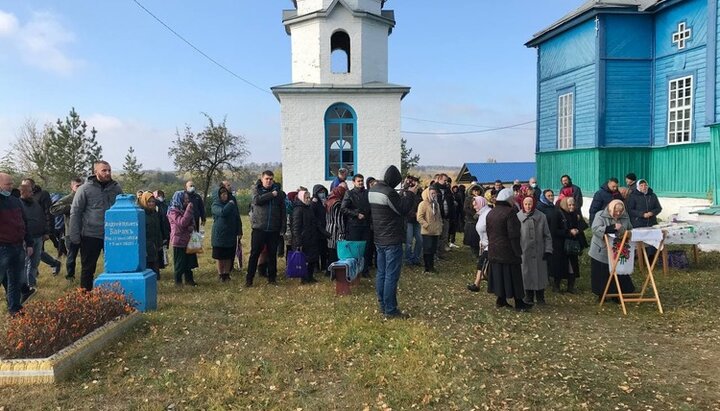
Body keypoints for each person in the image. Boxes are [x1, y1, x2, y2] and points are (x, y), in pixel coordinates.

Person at [369, 165, 418, 319]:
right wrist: (410, 194)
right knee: (391, 275)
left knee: (381, 273)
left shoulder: (373, 190)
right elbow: (402, 209)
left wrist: (403, 192)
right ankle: (390, 310)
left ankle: (383, 305)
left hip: (379, 238)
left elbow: (391, 207)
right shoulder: (389, 192)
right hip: (391, 239)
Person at [69, 161, 123, 291]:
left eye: (109, 170)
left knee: (116, 267)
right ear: (95, 172)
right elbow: (75, 212)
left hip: (112, 235)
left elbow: (122, 209)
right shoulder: (84, 189)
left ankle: (115, 295)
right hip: (90, 235)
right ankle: (85, 297)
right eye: (104, 170)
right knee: (88, 268)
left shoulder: (116, 188)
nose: (108, 173)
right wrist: (75, 236)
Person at [486, 188, 532, 311]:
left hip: (494, 250)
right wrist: (518, 251)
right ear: (508, 200)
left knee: (499, 275)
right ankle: (519, 303)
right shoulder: (510, 212)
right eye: (513, 199)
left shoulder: (492, 212)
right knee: (513, 277)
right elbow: (514, 234)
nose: (514, 201)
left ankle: (501, 299)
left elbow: (489, 231)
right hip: (508, 251)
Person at [0, 173, 34, 315]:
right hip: (2, 248)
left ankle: (15, 308)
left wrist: (29, 242)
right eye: (8, 184)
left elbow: (23, 222)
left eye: (11, 183)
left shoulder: (15, 201)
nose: (11, 186)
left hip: (18, 246)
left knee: (15, 280)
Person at [246, 170, 286, 287]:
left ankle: (272, 278)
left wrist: (282, 227)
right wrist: (271, 195)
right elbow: (257, 200)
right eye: (267, 179)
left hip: (273, 229)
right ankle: (249, 279)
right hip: (259, 228)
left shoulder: (278, 193)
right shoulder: (256, 190)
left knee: (272, 255)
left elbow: (282, 211)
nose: (269, 181)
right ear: (262, 179)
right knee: (254, 254)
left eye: (271, 179)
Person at [590, 199, 634, 299]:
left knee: (617, 271)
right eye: (616, 211)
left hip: (617, 249)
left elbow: (630, 229)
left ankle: (617, 294)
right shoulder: (600, 215)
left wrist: (622, 230)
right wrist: (611, 227)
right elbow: (595, 229)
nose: (618, 213)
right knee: (602, 273)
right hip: (601, 249)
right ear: (611, 208)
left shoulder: (625, 216)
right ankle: (602, 294)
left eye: (620, 211)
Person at [22, 178, 61, 276]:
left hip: (39, 230)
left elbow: (48, 213)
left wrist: (48, 231)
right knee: (35, 252)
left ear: (33, 186)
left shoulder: (43, 195)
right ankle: (35, 273)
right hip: (27, 230)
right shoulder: (22, 197)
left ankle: (52, 264)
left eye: (26, 185)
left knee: (37, 253)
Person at [517, 196, 553, 305]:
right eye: (526, 204)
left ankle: (540, 297)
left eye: (530, 204)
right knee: (526, 274)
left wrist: (548, 250)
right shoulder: (517, 217)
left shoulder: (541, 216)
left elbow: (547, 235)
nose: (528, 206)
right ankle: (528, 296)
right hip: (524, 251)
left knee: (540, 274)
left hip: (539, 251)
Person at [18, 182, 47, 303]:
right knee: (24, 264)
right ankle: (23, 286)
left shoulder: (35, 203)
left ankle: (32, 283)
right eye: (29, 192)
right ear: (22, 192)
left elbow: (42, 217)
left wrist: (46, 232)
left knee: (35, 262)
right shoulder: (18, 204)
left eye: (32, 191)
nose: (32, 194)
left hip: (38, 236)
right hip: (26, 239)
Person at [291, 189, 328, 284]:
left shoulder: (309, 208)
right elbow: (296, 227)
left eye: (309, 197)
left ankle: (310, 276)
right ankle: (304, 278)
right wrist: (298, 241)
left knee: (312, 258)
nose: (308, 199)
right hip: (303, 238)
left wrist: (324, 232)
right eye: (306, 198)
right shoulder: (298, 210)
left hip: (312, 237)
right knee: (304, 260)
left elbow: (315, 222)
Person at [50, 177, 83, 280]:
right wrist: (70, 207)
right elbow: (53, 209)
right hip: (71, 232)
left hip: (86, 232)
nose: (80, 188)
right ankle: (70, 276)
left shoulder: (87, 197)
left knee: (87, 257)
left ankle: (87, 276)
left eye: (82, 186)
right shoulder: (68, 198)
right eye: (77, 186)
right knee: (71, 256)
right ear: (72, 187)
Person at [341, 173, 373, 275]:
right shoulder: (349, 194)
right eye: (358, 181)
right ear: (354, 182)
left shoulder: (367, 193)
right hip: (354, 225)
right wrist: (356, 214)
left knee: (366, 248)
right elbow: (343, 208)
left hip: (366, 225)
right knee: (354, 249)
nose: (360, 183)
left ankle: (365, 269)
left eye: (362, 181)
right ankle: (354, 269)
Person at [556, 197, 588, 293]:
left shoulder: (575, 214)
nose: (572, 207)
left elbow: (584, 225)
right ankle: (557, 286)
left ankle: (571, 286)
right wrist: (568, 231)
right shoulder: (558, 214)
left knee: (573, 266)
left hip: (573, 244)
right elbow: (555, 230)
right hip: (562, 244)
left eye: (573, 205)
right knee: (560, 266)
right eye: (569, 205)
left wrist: (577, 229)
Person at [211, 185, 242, 282]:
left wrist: (239, 230)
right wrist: (230, 204)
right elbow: (222, 212)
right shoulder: (215, 205)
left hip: (230, 233)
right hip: (219, 235)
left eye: (226, 194)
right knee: (220, 256)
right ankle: (221, 274)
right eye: (222, 194)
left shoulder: (232, 204)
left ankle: (227, 273)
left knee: (229, 255)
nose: (225, 196)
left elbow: (237, 217)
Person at [168, 191, 198, 286]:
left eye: (187, 199)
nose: (187, 201)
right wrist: (188, 211)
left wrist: (192, 226)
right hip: (179, 241)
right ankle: (178, 282)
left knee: (188, 262)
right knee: (180, 263)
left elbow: (191, 222)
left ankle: (189, 280)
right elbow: (182, 223)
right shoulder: (173, 211)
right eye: (185, 199)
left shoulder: (185, 209)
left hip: (188, 240)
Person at [467, 195, 492, 292]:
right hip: (484, 243)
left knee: (482, 262)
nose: (474, 207)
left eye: (475, 205)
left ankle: (477, 283)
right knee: (483, 263)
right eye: (473, 205)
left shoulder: (488, 213)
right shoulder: (481, 214)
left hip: (491, 243)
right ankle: (480, 281)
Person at [416, 185, 441, 274]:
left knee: (433, 249)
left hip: (435, 231)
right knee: (427, 249)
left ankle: (431, 266)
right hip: (427, 231)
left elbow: (438, 217)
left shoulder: (436, 204)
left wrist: (439, 226)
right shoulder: (423, 204)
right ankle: (427, 268)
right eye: (432, 193)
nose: (434, 195)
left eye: (435, 193)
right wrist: (427, 225)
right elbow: (419, 217)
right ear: (428, 193)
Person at [138, 192, 163, 278]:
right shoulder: (141, 214)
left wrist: (160, 242)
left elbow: (158, 228)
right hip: (145, 245)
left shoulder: (154, 213)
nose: (151, 203)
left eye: (153, 201)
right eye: (149, 201)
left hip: (154, 244)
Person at [325, 184, 348, 269]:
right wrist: (342, 231)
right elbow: (339, 219)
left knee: (330, 250)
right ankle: (333, 269)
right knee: (335, 252)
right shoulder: (337, 203)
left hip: (329, 228)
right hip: (336, 230)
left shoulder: (329, 201)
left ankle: (328, 269)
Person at [403, 176, 422, 267]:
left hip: (417, 220)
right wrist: (413, 213)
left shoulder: (420, 193)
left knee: (420, 240)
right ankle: (408, 259)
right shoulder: (405, 192)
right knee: (409, 241)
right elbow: (404, 206)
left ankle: (416, 258)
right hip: (408, 220)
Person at [310, 184, 329, 272]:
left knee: (324, 249)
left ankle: (324, 266)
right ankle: (316, 267)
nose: (322, 194)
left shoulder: (325, 202)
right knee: (316, 249)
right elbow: (313, 217)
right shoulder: (313, 203)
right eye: (320, 192)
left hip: (324, 228)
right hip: (316, 229)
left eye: (323, 192)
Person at [462, 184, 484, 256]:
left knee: (478, 237)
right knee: (472, 237)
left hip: (480, 219)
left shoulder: (482, 198)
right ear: (472, 191)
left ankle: (479, 251)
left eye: (478, 191)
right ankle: (474, 252)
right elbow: (466, 208)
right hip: (471, 220)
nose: (476, 192)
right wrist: (474, 214)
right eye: (475, 191)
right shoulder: (468, 199)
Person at [153, 189, 171, 271]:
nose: (160, 197)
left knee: (162, 250)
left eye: (161, 195)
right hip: (158, 231)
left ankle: (161, 265)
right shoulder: (155, 205)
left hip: (165, 230)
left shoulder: (165, 205)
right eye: (158, 195)